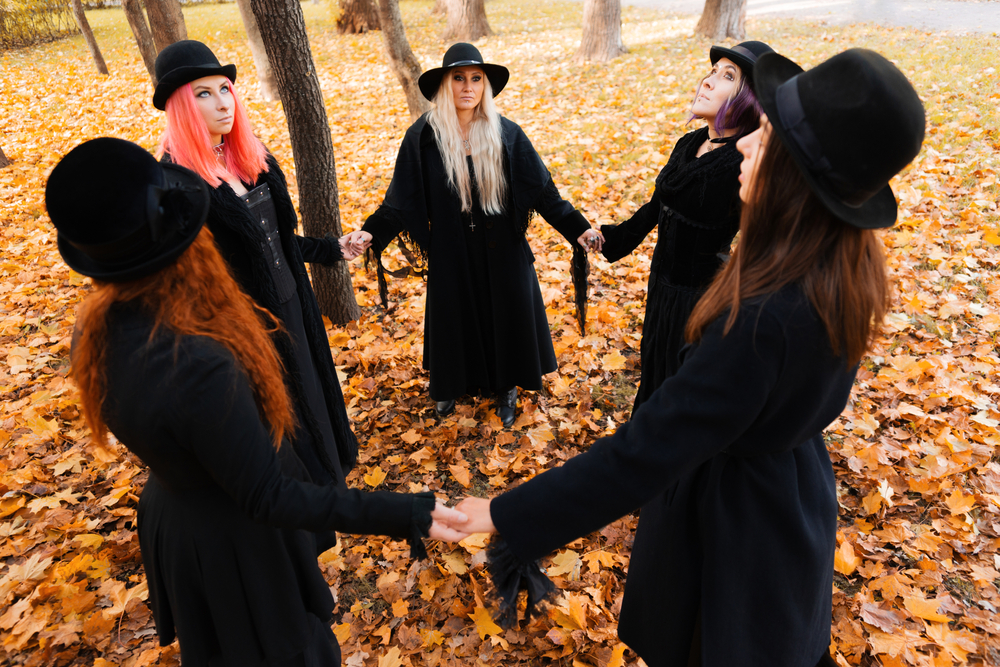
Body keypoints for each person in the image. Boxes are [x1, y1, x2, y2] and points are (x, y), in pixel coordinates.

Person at [455, 49, 926, 666]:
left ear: (797, 177)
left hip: (736, 525)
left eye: (768, 138)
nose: (750, 147)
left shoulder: (761, 317)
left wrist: (503, 514)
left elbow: (644, 450)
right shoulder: (843, 266)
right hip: (792, 499)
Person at [46, 137, 468, 666]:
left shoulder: (97, 328)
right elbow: (268, 495)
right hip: (234, 546)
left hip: (179, 521)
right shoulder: (194, 362)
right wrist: (407, 511)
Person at [342, 43, 604, 427]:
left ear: (486, 86)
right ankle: (452, 383)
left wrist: (579, 229)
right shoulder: (423, 138)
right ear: (445, 85)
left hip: (504, 251)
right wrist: (370, 233)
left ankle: (507, 386)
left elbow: (543, 193)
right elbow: (401, 201)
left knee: (506, 313)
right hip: (452, 250)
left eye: (476, 79)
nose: (468, 87)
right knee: (455, 316)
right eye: (459, 78)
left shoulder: (506, 134)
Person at [152, 41, 359, 520]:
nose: (223, 102)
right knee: (280, 419)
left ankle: (332, 482)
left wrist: (331, 249)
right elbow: (184, 284)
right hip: (247, 329)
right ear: (181, 105)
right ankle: (305, 514)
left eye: (225, 89)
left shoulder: (249, 154)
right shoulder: (175, 183)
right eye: (204, 94)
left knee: (314, 397)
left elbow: (278, 242)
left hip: (295, 307)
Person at [599, 40, 773, 414]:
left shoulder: (742, 162)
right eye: (712, 72)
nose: (708, 81)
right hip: (661, 288)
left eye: (728, 76)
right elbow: (659, 205)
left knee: (685, 392)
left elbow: (765, 237)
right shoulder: (689, 142)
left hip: (703, 300)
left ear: (749, 99)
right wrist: (610, 239)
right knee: (655, 371)